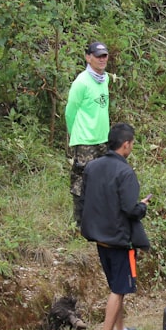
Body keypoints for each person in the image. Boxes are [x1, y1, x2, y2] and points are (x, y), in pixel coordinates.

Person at [79, 123, 150, 330]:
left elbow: (85, 198)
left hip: (100, 237)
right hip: (120, 240)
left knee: (114, 285)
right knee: (119, 289)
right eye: (132, 143)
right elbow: (130, 209)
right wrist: (142, 206)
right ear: (126, 144)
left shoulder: (92, 167)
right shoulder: (125, 172)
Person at [65, 41, 111, 226]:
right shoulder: (81, 82)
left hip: (103, 139)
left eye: (104, 56)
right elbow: (70, 111)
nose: (102, 59)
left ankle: (98, 218)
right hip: (85, 140)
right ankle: (80, 222)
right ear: (88, 57)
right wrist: (74, 136)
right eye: (98, 56)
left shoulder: (105, 78)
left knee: (101, 180)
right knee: (81, 179)